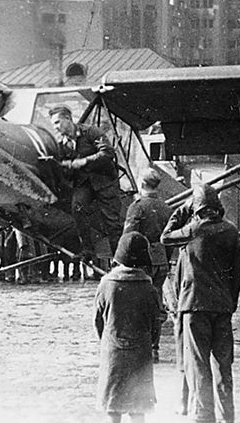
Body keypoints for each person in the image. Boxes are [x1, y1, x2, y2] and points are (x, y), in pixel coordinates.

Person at [162, 183, 240, 423]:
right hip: (222, 307)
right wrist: (230, 303)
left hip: (194, 306)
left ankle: (204, 417)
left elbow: (165, 236)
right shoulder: (231, 230)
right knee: (223, 365)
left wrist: (184, 209)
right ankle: (228, 416)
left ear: (197, 208)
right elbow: (237, 273)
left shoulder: (193, 229)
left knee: (198, 365)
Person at [94, 232, 160, 423]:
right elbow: (155, 323)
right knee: (138, 407)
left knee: (113, 405)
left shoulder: (106, 284)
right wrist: (150, 343)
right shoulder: (148, 287)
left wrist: (107, 341)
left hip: (113, 350)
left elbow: (98, 321)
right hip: (140, 351)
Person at [49, 105, 123, 265]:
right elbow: (65, 174)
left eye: (57, 122)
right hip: (84, 184)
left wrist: (84, 161)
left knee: (111, 222)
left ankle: (119, 261)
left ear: (68, 119)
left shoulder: (91, 132)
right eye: (53, 124)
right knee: (77, 208)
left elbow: (107, 152)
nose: (55, 127)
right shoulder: (62, 144)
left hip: (105, 181)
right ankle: (87, 250)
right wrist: (65, 167)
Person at [123, 168, 173, 361]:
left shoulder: (137, 207)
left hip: (141, 262)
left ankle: (138, 347)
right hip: (161, 260)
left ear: (142, 183)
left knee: (136, 303)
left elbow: (128, 239)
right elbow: (169, 241)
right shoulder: (165, 207)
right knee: (156, 301)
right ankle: (154, 346)